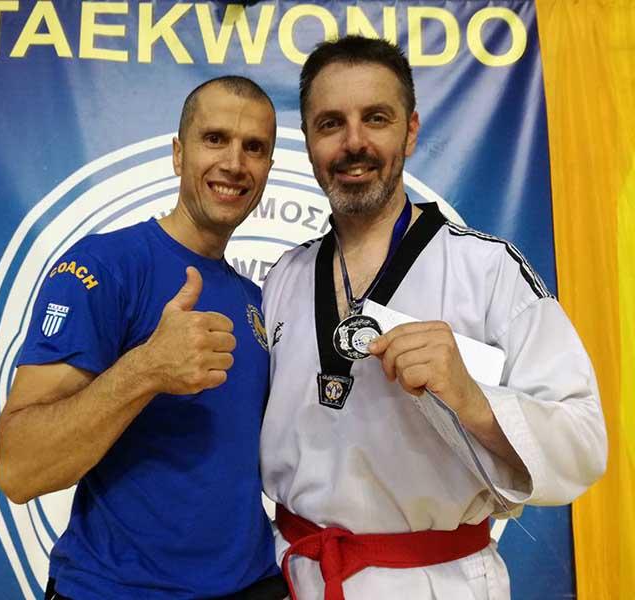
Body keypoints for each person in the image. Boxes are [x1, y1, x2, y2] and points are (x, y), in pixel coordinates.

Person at [259, 36, 607, 600]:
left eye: (376, 118)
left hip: (436, 582)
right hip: (297, 574)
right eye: (331, 124)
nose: (354, 142)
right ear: (309, 141)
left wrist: (473, 400)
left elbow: (584, 441)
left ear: (411, 131)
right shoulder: (284, 278)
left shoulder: (488, 270)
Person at [0, 76, 287, 600]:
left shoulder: (258, 299)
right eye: (215, 139)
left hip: (252, 585)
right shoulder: (104, 266)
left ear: (268, 167)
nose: (234, 163)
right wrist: (147, 369)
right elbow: (20, 469)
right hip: (118, 590)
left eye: (254, 147)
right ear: (178, 154)